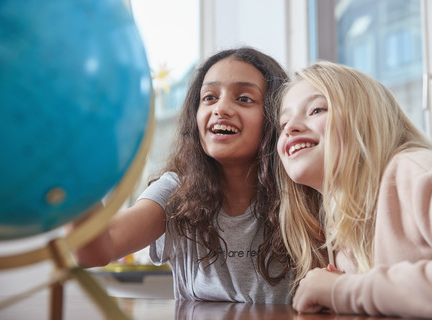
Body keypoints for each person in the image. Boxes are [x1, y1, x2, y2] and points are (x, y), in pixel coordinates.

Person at [74, 47, 294, 303]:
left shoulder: (300, 193)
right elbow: (94, 252)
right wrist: (78, 169)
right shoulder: (175, 191)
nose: (221, 108)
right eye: (209, 97)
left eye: (244, 99)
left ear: (276, 116)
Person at [276, 60, 432, 318]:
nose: (290, 128)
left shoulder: (413, 173)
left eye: (316, 110)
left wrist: (344, 290)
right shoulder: (335, 222)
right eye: (283, 124)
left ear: (366, 119)